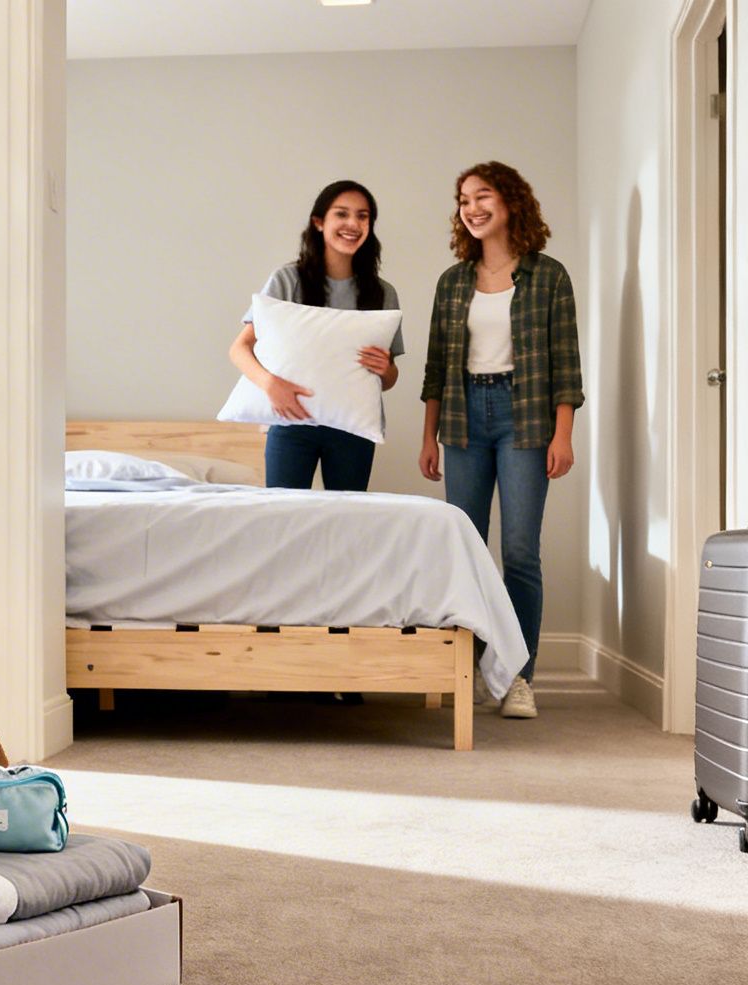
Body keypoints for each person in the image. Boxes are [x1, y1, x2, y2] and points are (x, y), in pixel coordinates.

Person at [418, 161, 583, 720]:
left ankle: (517, 677)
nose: (471, 207)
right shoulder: (453, 280)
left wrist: (564, 434)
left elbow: (566, 367)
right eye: (464, 199)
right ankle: (464, 670)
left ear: (511, 202)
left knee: (518, 554)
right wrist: (429, 437)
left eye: (482, 196)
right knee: (463, 551)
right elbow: (437, 365)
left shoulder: (550, 276)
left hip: (526, 418)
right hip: (464, 417)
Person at [230, 180, 405, 492]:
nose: (353, 224)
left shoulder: (382, 293)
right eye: (342, 214)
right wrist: (272, 386)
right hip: (291, 423)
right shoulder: (287, 280)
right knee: (283, 520)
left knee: (346, 523)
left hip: (353, 429)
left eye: (363, 216)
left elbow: (388, 379)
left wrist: (385, 370)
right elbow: (240, 349)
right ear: (319, 222)